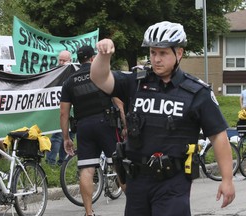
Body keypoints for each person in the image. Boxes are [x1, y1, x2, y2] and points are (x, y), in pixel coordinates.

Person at [90, 21, 235, 215]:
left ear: (179, 53)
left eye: (163, 53)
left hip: (173, 183)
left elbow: (218, 136)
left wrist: (227, 179)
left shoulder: (196, 92)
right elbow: (99, 79)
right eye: (152, 52)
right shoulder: (136, 82)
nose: (156, 59)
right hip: (137, 181)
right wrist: (103, 55)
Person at [60, 45, 121, 216]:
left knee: (86, 170)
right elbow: (118, 101)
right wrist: (125, 124)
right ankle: (136, 209)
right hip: (106, 123)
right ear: (93, 58)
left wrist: (66, 138)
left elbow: (64, 113)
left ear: (78, 60)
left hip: (84, 126)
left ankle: (88, 213)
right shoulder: (101, 75)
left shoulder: (69, 82)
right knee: (119, 165)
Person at [46, 50, 74, 166]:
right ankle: (50, 161)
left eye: (64, 60)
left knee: (70, 135)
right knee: (57, 135)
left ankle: (63, 162)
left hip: (73, 109)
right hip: (60, 108)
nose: (61, 63)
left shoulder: (74, 71)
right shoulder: (55, 72)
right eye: (60, 60)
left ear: (70, 61)